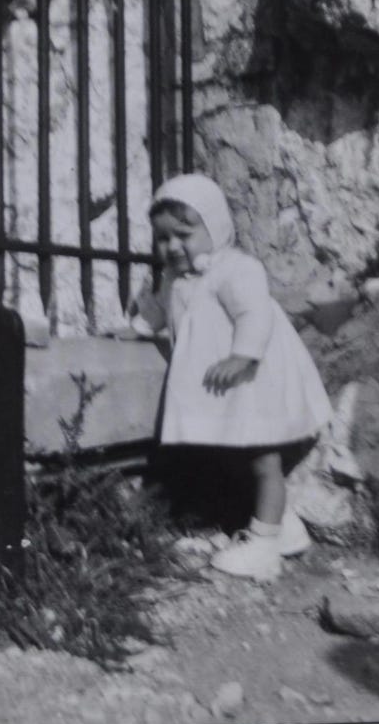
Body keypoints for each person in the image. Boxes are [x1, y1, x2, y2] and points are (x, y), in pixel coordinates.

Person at [128, 173, 333, 582]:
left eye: (183, 234)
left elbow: (254, 314)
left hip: (252, 382)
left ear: (216, 228)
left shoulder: (235, 269)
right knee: (236, 458)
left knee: (262, 460)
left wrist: (244, 354)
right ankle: (283, 527)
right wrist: (137, 326)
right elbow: (158, 308)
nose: (171, 247)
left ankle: (263, 546)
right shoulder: (174, 278)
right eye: (163, 238)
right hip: (224, 391)